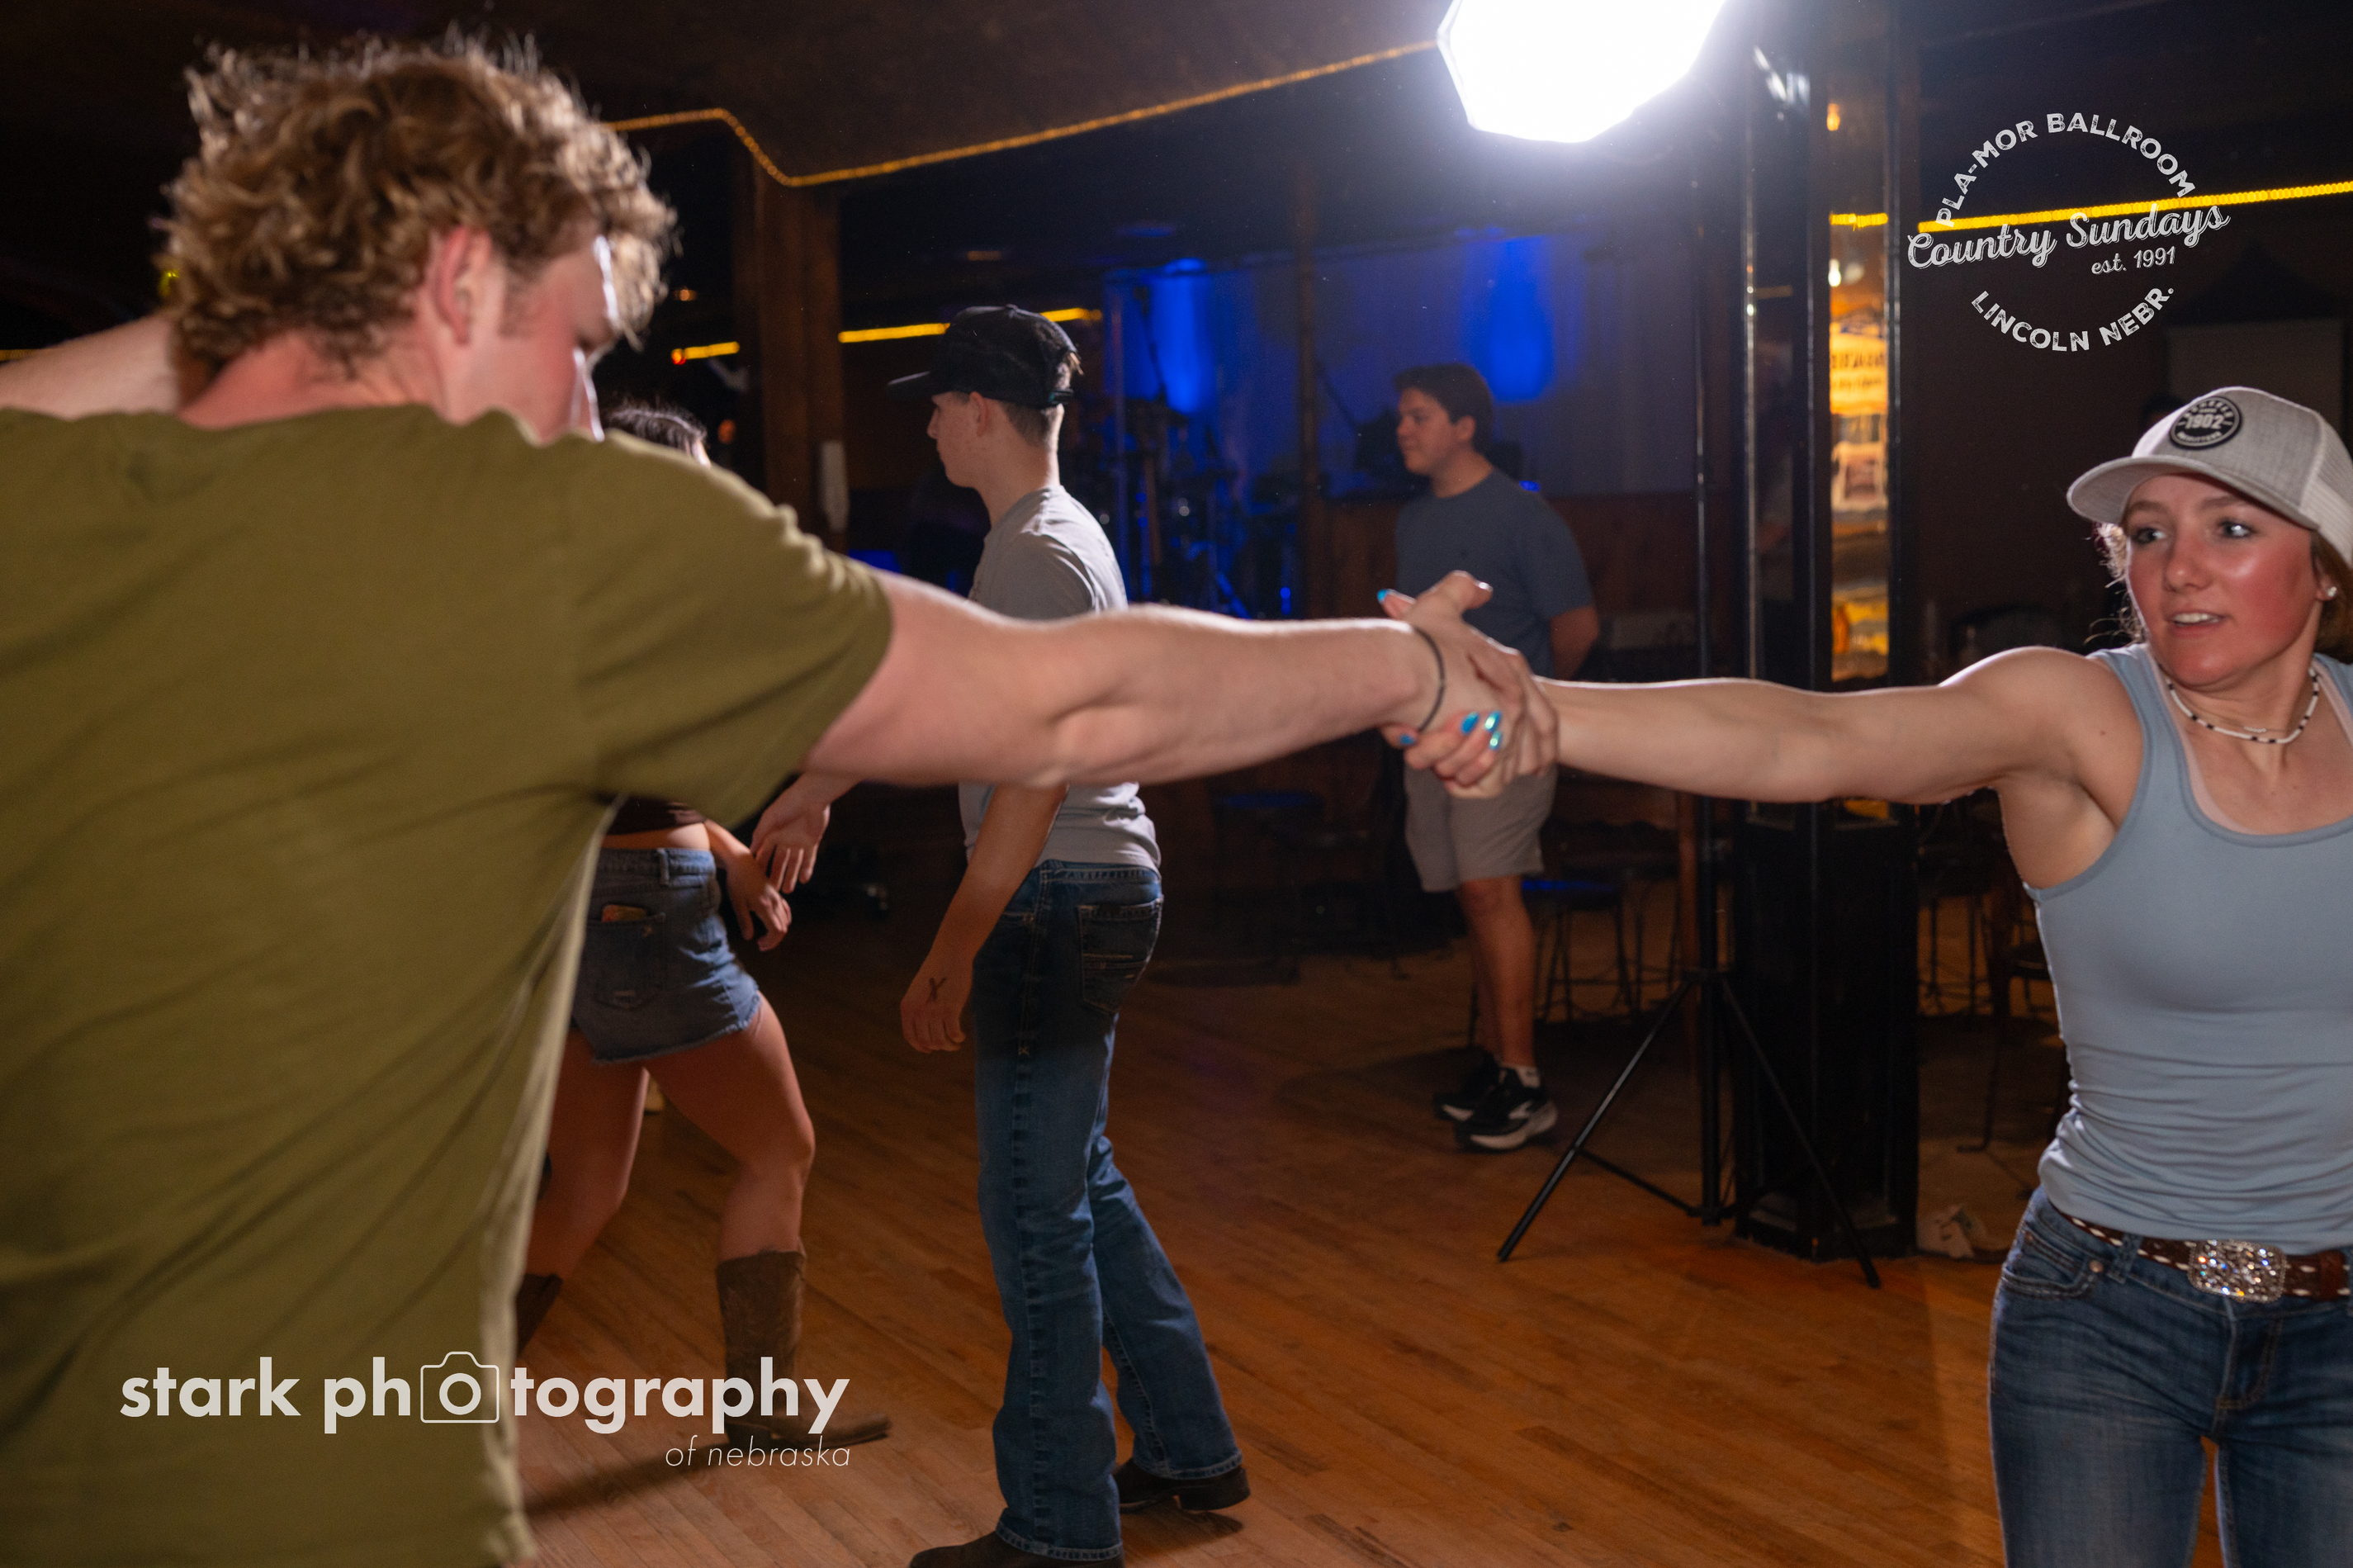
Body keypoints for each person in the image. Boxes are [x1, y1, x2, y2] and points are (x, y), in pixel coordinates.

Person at [0, 38, 1541, 1568]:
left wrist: (286, 292)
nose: (584, 413)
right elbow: (1071, 703)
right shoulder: (545, 543)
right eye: (577, 345)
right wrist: (1405, 665)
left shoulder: (48, 507)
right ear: (456, 279)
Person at [1383, 386, 2353, 1568]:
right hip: (2111, 1315)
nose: (2177, 567)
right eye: (2148, 533)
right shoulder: (2078, 712)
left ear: (2325, 564)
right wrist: (1527, 703)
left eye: (2232, 528)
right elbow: (1808, 737)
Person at [758, 309, 1245, 1568]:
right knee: (1078, 1179)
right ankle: (1187, 1444)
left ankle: (1057, 1524)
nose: (926, 425)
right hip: (1095, 885)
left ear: (980, 409)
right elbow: (949, 699)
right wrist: (821, 785)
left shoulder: (1031, 553)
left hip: (1055, 892)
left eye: (936, 404)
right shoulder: (1051, 535)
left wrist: (952, 945)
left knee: (1035, 1217)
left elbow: (1030, 777)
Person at [514, 399, 886, 1449]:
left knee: (585, 1192)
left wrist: (723, 848)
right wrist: (802, 802)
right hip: (652, 917)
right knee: (781, 1146)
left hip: (571, 911)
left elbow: (610, 789)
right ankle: (763, 1410)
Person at [1391, 363, 1598, 1151]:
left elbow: (1575, 629)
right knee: (1470, 896)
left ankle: (1524, 1082)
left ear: (1464, 426)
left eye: (1419, 416)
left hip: (1503, 739)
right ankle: (1496, 1061)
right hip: (1433, 736)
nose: (1403, 430)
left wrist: (1527, 708)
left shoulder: (1523, 515)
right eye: (1402, 416)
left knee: (1489, 888)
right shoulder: (1414, 520)